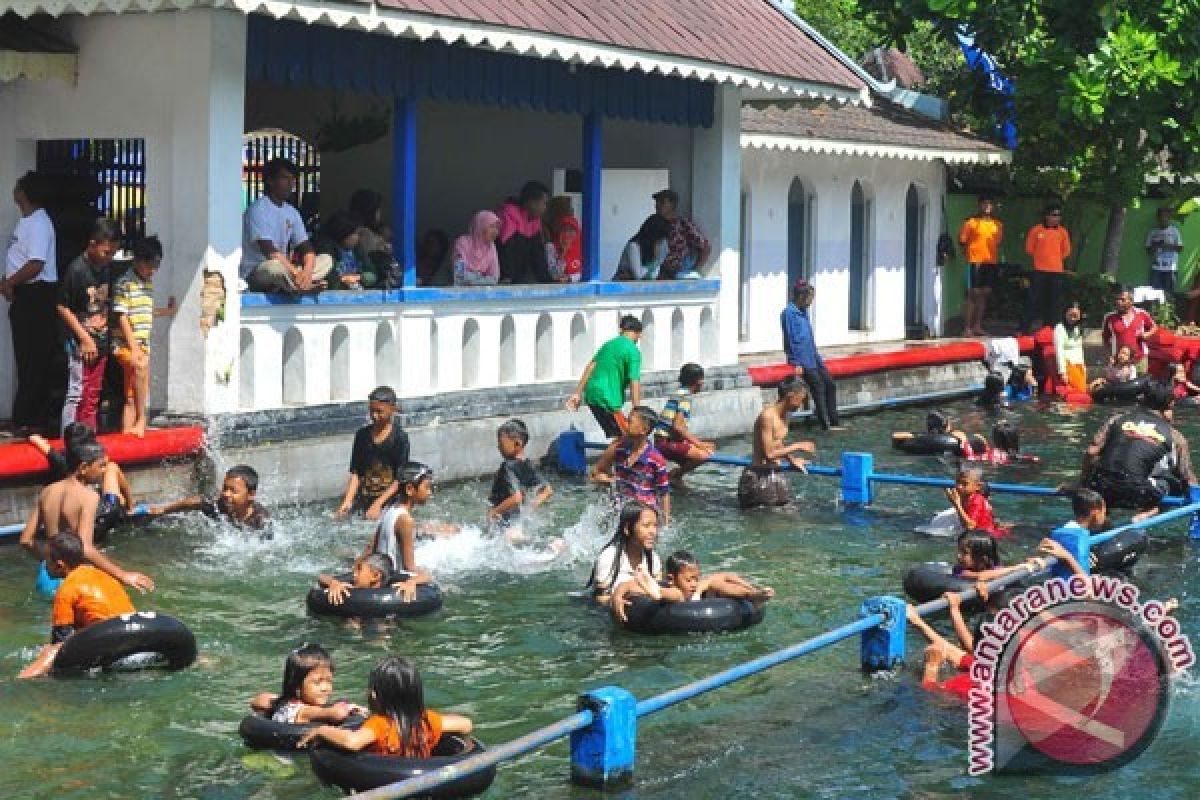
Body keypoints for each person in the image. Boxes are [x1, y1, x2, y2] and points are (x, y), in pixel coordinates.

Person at [19, 440, 153, 593]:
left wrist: (52, 560)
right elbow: (86, 548)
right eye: (101, 466)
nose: (104, 471)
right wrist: (122, 575)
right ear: (83, 468)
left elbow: (26, 540)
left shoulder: (48, 491)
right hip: (73, 577)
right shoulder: (89, 497)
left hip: (46, 577)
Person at [298, 656, 473, 757]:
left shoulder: (379, 725)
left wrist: (322, 730)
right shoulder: (428, 720)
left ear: (374, 696)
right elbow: (466, 724)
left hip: (385, 781)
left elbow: (352, 742)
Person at [18, 532, 139, 678]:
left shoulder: (66, 589)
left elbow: (61, 642)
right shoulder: (104, 576)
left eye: (47, 560)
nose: (44, 564)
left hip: (108, 639)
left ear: (59, 566)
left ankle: (21, 680)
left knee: (51, 651)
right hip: (133, 635)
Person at [1080, 381, 1196, 520]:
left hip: (1102, 489)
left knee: (1104, 477)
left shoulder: (1117, 420)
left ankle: (1103, 517)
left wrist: (1083, 484)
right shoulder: (1175, 436)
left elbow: (1091, 452)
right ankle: (1146, 515)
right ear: (1170, 406)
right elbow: (1187, 478)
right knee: (1176, 486)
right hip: (1138, 494)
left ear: (1142, 400)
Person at [2, 171, 58, 434]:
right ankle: (26, 416)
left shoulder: (38, 223)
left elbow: (36, 264)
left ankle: (29, 418)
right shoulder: (26, 222)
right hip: (25, 294)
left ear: (24, 193)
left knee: (34, 359)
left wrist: (10, 282)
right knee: (26, 358)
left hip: (36, 295)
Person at [56, 217, 121, 432]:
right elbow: (62, 306)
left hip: (100, 341)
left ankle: (88, 437)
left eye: (113, 253)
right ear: (92, 244)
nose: (109, 257)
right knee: (76, 393)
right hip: (79, 343)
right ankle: (69, 438)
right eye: (106, 252)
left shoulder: (107, 269)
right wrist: (84, 338)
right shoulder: (76, 270)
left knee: (93, 394)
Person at [111, 235, 176, 437]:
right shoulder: (125, 283)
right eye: (149, 266)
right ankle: (142, 419)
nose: (153, 271)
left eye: (156, 267)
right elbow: (121, 315)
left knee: (131, 394)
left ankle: (127, 434)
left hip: (142, 345)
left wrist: (165, 311)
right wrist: (134, 347)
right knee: (139, 367)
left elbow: (143, 311)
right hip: (126, 344)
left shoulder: (147, 284)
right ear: (138, 260)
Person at [240, 158, 332, 293]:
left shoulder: (291, 212)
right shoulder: (258, 209)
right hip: (258, 272)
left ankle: (299, 284)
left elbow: (307, 248)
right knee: (274, 267)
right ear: (270, 181)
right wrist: (296, 272)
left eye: (292, 179)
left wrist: (306, 272)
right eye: (285, 178)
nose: (290, 184)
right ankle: (302, 287)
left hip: (286, 270)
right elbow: (269, 251)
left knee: (326, 260)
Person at [738, 376, 816, 509]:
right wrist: (797, 446)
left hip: (775, 473)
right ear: (790, 395)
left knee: (789, 512)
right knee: (766, 517)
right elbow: (769, 454)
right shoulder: (767, 416)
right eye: (801, 399)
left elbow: (777, 442)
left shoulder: (786, 415)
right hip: (758, 475)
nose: (801, 405)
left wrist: (792, 460)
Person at [363, 463, 437, 600]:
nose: (429, 492)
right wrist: (426, 577)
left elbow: (370, 548)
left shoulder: (389, 509)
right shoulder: (406, 520)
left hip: (378, 575)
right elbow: (409, 567)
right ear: (409, 489)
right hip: (390, 581)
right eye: (426, 487)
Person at [335, 386, 410, 520]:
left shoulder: (400, 438)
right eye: (371, 411)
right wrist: (347, 502)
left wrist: (378, 504)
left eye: (379, 412)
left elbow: (399, 480)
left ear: (393, 409)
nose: (374, 416)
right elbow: (356, 473)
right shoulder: (362, 436)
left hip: (389, 501)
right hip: (364, 498)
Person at [248, 643, 363, 728]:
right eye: (317, 682)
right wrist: (348, 707)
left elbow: (258, 700)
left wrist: (278, 700)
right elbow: (338, 714)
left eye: (329, 681)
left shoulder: (286, 704)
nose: (325, 688)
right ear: (297, 686)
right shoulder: (304, 711)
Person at [565, 314, 643, 438]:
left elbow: (591, 366)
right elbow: (635, 381)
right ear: (638, 333)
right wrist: (637, 410)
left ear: (622, 330)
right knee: (627, 437)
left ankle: (615, 449)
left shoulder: (608, 345)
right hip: (608, 399)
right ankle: (610, 452)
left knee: (617, 435)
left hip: (591, 395)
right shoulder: (633, 351)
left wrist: (577, 393)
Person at [590, 406, 671, 520]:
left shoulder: (656, 459)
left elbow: (664, 492)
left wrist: (665, 522)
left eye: (629, 422)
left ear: (644, 430)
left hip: (643, 514)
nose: (624, 424)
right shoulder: (618, 448)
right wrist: (608, 481)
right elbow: (596, 473)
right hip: (619, 509)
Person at [781, 280, 843, 430]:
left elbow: (808, 336)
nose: (811, 302)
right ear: (801, 297)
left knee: (830, 384)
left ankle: (834, 421)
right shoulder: (789, 313)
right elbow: (790, 338)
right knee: (818, 386)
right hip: (802, 359)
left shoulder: (803, 311)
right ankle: (825, 425)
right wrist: (796, 363)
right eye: (810, 298)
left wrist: (817, 356)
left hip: (813, 356)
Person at [588, 500, 662, 613]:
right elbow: (599, 598)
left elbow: (658, 589)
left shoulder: (653, 559)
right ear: (627, 528)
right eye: (646, 526)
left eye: (655, 526)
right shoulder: (609, 557)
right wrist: (614, 600)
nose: (653, 532)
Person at [629, 549, 774, 605]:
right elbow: (629, 588)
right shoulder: (677, 590)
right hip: (672, 597)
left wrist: (750, 588)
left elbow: (725, 576)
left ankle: (751, 596)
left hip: (688, 600)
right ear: (671, 579)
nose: (693, 583)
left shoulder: (696, 588)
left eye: (696, 578)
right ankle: (656, 591)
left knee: (716, 585)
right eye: (688, 580)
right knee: (677, 594)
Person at [147, 464, 269, 530]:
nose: (226, 494)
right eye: (225, 488)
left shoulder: (260, 520)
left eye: (233, 491)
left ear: (251, 495)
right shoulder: (219, 505)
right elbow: (195, 502)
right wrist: (164, 509)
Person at [653, 363, 715, 486]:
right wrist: (699, 444)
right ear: (698, 381)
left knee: (710, 447)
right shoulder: (685, 397)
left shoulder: (678, 393)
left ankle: (676, 478)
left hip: (662, 441)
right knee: (705, 454)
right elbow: (678, 426)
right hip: (665, 443)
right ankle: (675, 475)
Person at [487, 418, 553, 527]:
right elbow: (547, 491)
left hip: (504, 523)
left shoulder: (507, 466)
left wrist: (493, 512)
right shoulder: (527, 465)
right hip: (517, 522)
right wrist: (528, 510)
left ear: (517, 444)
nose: (498, 447)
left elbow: (516, 498)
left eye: (501, 443)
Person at [1021, 204, 1071, 332]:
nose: (1057, 218)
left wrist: (1054, 259)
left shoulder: (1063, 232)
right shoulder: (1036, 230)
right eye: (1054, 215)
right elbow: (1029, 249)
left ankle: (1050, 330)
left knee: (1054, 303)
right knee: (1033, 300)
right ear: (1046, 216)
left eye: (1059, 215)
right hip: (1039, 271)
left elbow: (1066, 252)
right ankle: (1024, 328)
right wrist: (1042, 258)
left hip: (1056, 272)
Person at [958, 195, 1004, 337]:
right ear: (979, 205)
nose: (987, 206)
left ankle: (977, 326)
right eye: (984, 203)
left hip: (990, 262)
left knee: (984, 294)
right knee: (973, 294)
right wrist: (970, 256)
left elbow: (997, 243)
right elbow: (962, 241)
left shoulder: (997, 224)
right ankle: (967, 328)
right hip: (974, 261)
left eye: (990, 204)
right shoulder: (971, 222)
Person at [496, 181, 552, 284]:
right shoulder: (508, 215)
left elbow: (538, 255)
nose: (545, 208)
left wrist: (547, 281)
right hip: (503, 277)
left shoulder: (535, 220)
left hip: (520, 278)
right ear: (531, 202)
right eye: (544, 203)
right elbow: (505, 250)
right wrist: (506, 277)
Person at [653, 189, 710, 280]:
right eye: (657, 202)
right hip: (659, 274)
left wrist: (694, 270)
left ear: (672, 205)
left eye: (662, 202)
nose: (657, 205)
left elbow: (705, 247)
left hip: (678, 274)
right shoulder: (654, 225)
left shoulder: (682, 224)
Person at [316, 212, 380, 289]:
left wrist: (360, 277)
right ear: (343, 233)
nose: (358, 237)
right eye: (356, 233)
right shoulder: (326, 253)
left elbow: (373, 274)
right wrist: (343, 281)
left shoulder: (357, 250)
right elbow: (332, 282)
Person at [1101, 287, 1156, 373]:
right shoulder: (1109, 318)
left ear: (1131, 301)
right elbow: (1105, 340)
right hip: (1119, 362)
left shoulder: (1142, 314)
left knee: (1141, 381)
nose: (1119, 302)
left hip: (1140, 359)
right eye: (1117, 299)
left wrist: (1147, 334)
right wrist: (1109, 356)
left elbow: (1154, 327)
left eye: (1122, 300)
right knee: (1121, 382)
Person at [348, 189, 397, 285]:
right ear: (370, 211)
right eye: (378, 210)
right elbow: (371, 257)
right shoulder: (364, 233)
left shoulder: (377, 231)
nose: (380, 213)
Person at [945, 467, 1007, 538]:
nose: (959, 486)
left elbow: (970, 526)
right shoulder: (964, 497)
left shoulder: (977, 501)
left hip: (986, 536)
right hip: (977, 533)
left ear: (978, 486)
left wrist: (957, 504)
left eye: (964, 484)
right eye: (957, 482)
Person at [315, 553, 393, 607]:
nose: (354, 574)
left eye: (359, 569)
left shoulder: (392, 591)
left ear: (375, 576)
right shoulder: (350, 584)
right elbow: (321, 577)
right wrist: (333, 583)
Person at [959, 420, 1039, 466]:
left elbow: (970, 458)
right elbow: (1034, 459)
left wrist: (965, 444)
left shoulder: (987, 456)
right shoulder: (1025, 458)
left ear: (995, 440)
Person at [452, 211, 500, 286]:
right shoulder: (463, 242)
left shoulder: (491, 247)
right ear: (480, 227)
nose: (495, 231)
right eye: (491, 226)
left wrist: (473, 280)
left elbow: (494, 278)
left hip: (479, 291)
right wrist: (481, 278)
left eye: (497, 227)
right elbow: (459, 275)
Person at [615, 214, 670, 280]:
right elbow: (638, 275)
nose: (661, 243)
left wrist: (656, 259)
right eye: (660, 239)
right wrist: (654, 264)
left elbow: (653, 276)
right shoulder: (633, 246)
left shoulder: (653, 248)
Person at [1146, 206, 1184, 298]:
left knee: (1169, 296)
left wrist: (1168, 245)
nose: (1163, 218)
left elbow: (1180, 249)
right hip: (1156, 269)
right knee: (1154, 296)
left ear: (1168, 217)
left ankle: (1167, 307)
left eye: (1165, 216)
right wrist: (1156, 245)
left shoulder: (1174, 231)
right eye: (1160, 216)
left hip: (1171, 269)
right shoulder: (1153, 232)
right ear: (1157, 218)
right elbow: (1148, 250)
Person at [543, 196, 582, 282]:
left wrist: (571, 278)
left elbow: (589, 273)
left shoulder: (584, 242)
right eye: (564, 229)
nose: (568, 233)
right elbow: (555, 276)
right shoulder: (551, 246)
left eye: (571, 230)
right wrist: (563, 253)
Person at [1052, 301, 1087, 395]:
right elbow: (1059, 351)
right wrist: (1062, 372)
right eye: (1070, 315)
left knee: (1082, 392)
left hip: (1079, 366)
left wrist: (1083, 366)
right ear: (1065, 314)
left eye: (1075, 316)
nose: (1072, 318)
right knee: (1079, 392)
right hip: (1068, 365)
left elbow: (1080, 349)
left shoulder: (1078, 328)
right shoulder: (1060, 328)